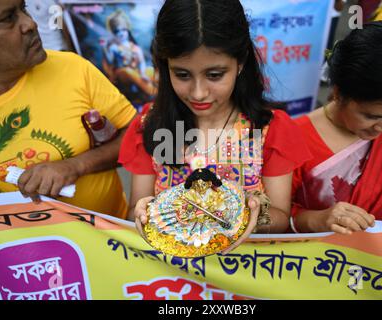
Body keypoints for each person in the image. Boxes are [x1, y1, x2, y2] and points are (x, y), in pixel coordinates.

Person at [118, 0, 311, 252]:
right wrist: (143, 212)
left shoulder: (267, 129)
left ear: (240, 63)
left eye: (214, 75)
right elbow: (135, 208)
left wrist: (246, 216)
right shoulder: (153, 126)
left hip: (240, 274)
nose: (198, 93)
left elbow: (280, 216)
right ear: (165, 67)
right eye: (183, 75)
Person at [0, 0, 136, 218]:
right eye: (7, 19)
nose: (30, 24)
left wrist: (75, 166)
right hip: (16, 250)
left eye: (23, 9)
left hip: (110, 244)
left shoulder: (73, 69)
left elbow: (136, 135)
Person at [291, 19, 382, 234]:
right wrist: (316, 219)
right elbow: (268, 217)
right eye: (371, 116)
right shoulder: (292, 139)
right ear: (339, 93)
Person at [103, 10, 155, 98]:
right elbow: (109, 62)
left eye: (123, 30)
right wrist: (106, 49)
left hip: (135, 71)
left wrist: (142, 73)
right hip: (121, 73)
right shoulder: (113, 47)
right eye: (117, 31)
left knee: (151, 69)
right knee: (128, 71)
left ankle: (157, 89)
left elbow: (142, 62)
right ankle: (151, 91)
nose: (121, 33)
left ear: (127, 30)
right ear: (113, 33)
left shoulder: (134, 47)